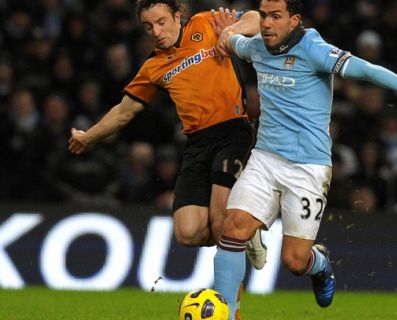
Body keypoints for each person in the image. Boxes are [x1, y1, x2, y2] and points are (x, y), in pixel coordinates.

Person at [212, 0, 397, 317]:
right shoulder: (257, 46)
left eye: (276, 17)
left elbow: (366, 69)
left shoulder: (314, 48)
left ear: (293, 20)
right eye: (263, 16)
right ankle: (227, 313)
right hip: (264, 158)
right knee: (232, 228)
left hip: (308, 168)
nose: (267, 24)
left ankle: (320, 264)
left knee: (294, 261)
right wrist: (225, 35)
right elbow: (233, 43)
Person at [68, 1, 267, 317]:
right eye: (148, 27)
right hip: (197, 144)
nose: (156, 32)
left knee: (220, 219)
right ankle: (244, 231)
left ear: (178, 16)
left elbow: (258, 19)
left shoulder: (204, 22)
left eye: (161, 22)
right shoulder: (153, 67)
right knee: (187, 233)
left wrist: (229, 32)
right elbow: (125, 110)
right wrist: (88, 137)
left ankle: (232, 311)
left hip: (234, 131)